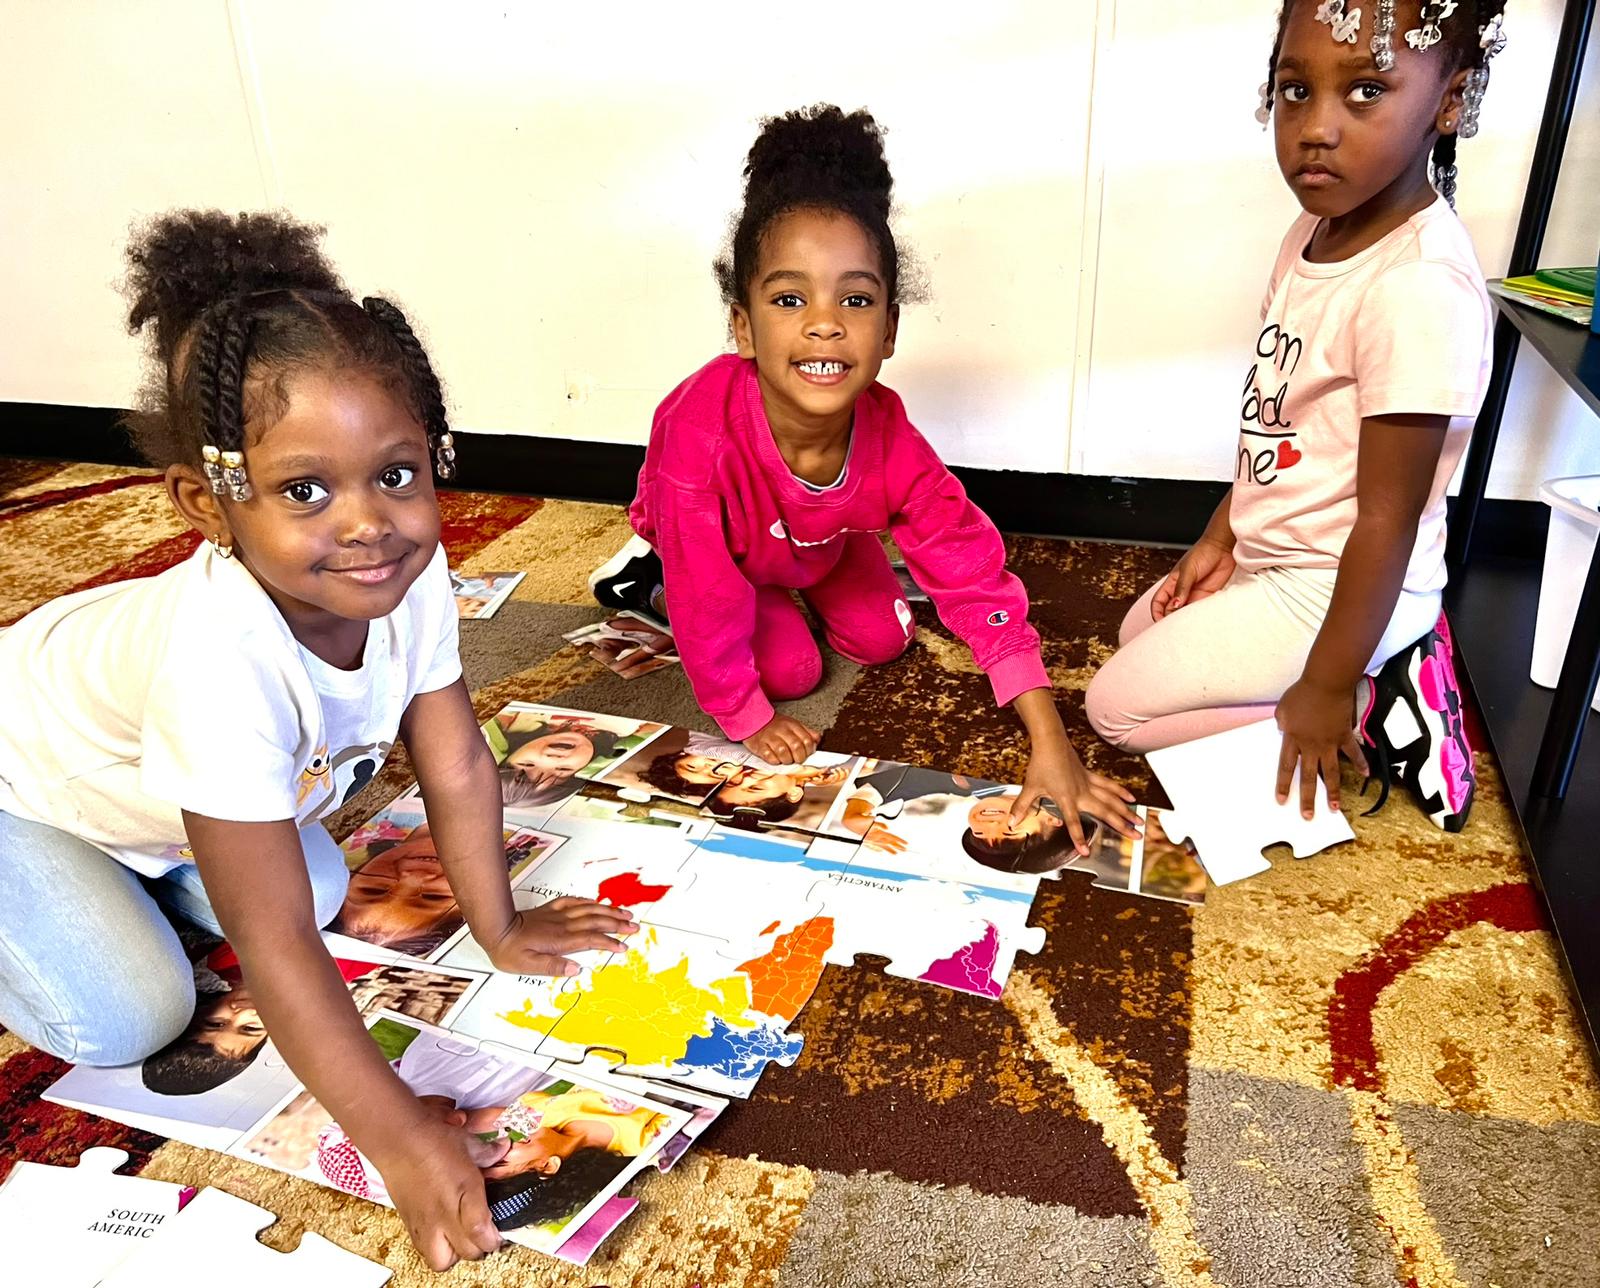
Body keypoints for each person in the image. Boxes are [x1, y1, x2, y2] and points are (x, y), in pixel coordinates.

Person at [0, 210, 636, 1272]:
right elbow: (275, 944)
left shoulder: (412, 573)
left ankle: (137, 873)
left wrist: (501, 922)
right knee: (130, 1015)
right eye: (305, 490)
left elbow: (457, 759)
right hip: (25, 782)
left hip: (148, 798)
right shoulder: (217, 656)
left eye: (396, 473)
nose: (366, 523)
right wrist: (397, 1135)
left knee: (326, 883)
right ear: (207, 504)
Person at [591, 104, 1136, 854]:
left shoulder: (891, 439)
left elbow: (972, 576)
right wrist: (744, 715)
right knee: (786, 672)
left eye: (855, 299)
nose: (824, 324)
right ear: (743, 326)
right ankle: (646, 576)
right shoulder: (696, 432)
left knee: (884, 638)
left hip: (818, 544)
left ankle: (798, 575)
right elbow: (713, 604)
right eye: (789, 300)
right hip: (723, 559)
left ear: (889, 329)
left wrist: (1051, 739)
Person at [1085, 1, 1503, 833]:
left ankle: (1371, 703)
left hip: (1339, 582)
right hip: (1281, 552)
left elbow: (1386, 520)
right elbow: (1273, 429)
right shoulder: (1310, 232)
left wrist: (1321, 685)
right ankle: (1346, 673)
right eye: (1294, 90)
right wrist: (1220, 538)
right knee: (1140, 631)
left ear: (1447, 103)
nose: (1315, 129)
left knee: (1115, 712)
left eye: (1365, 92)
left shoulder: (1416, 289)